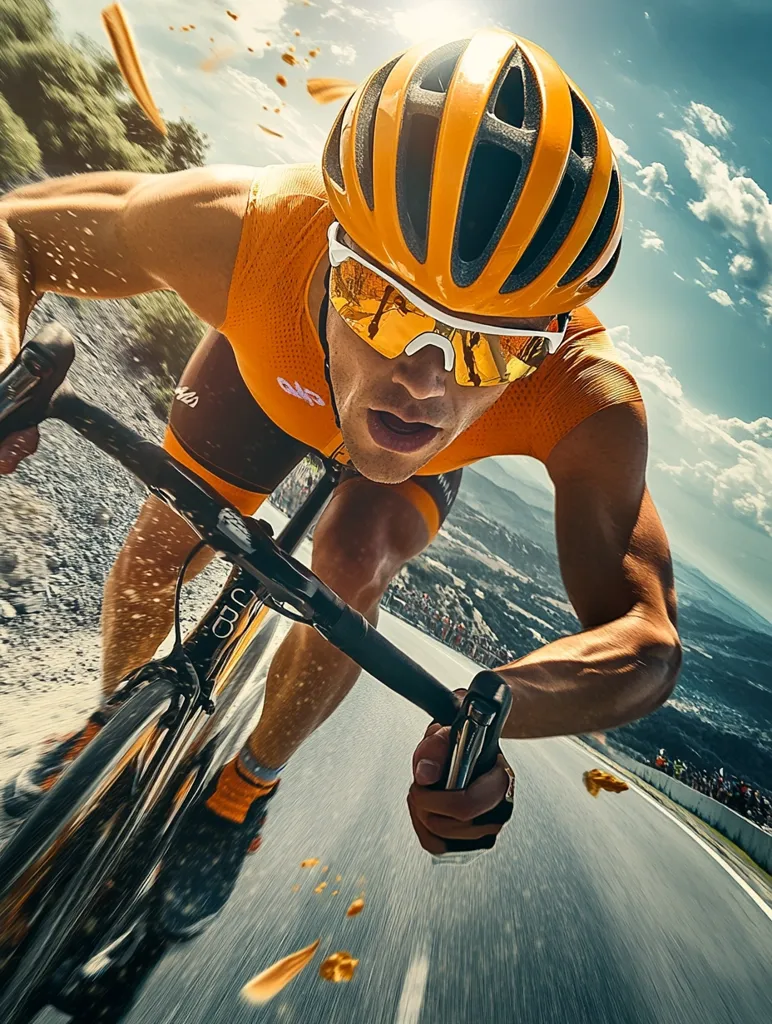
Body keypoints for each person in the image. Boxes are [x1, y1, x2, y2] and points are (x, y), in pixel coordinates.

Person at [0, 29, 681, 937]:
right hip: (270, 369)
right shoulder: (247, 231)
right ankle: (114, 728)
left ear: (548, 342)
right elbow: (17, 231)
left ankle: (244, 789)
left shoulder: (586, 396)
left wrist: (497, 708)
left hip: (352, 427)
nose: (425, 380)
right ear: (327, 243)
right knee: (163, 547)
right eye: (383, 302)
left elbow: (644, 637)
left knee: (352, 559)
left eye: (495, 347)